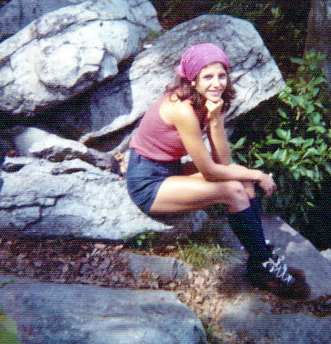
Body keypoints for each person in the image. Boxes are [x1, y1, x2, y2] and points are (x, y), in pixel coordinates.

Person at [126, 43, 310, 299]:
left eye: (221, 75)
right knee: (234, 190)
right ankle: (263, 265)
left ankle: (260, 260)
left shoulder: (207, 104)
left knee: (241, 183)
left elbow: (223, 161)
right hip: (148, 182)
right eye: (208, 77)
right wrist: (257, 174)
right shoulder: (183, 109)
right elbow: (213, 172)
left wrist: (216, 119)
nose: (216, 83)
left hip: (170, 169)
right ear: (192, 79)